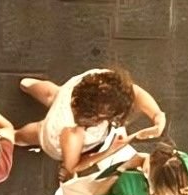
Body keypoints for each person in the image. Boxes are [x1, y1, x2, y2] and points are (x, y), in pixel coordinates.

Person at [16, 65, 166, 166]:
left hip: (66, 95)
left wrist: (157, 116)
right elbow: (72, 166)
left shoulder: (102, 81)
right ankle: (16, 137)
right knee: (38, 133)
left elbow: (135, 92)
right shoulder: (73, 132)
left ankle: (28, 85)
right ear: (96, 117)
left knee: (53, 94)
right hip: (54, 132)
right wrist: (109, 151)